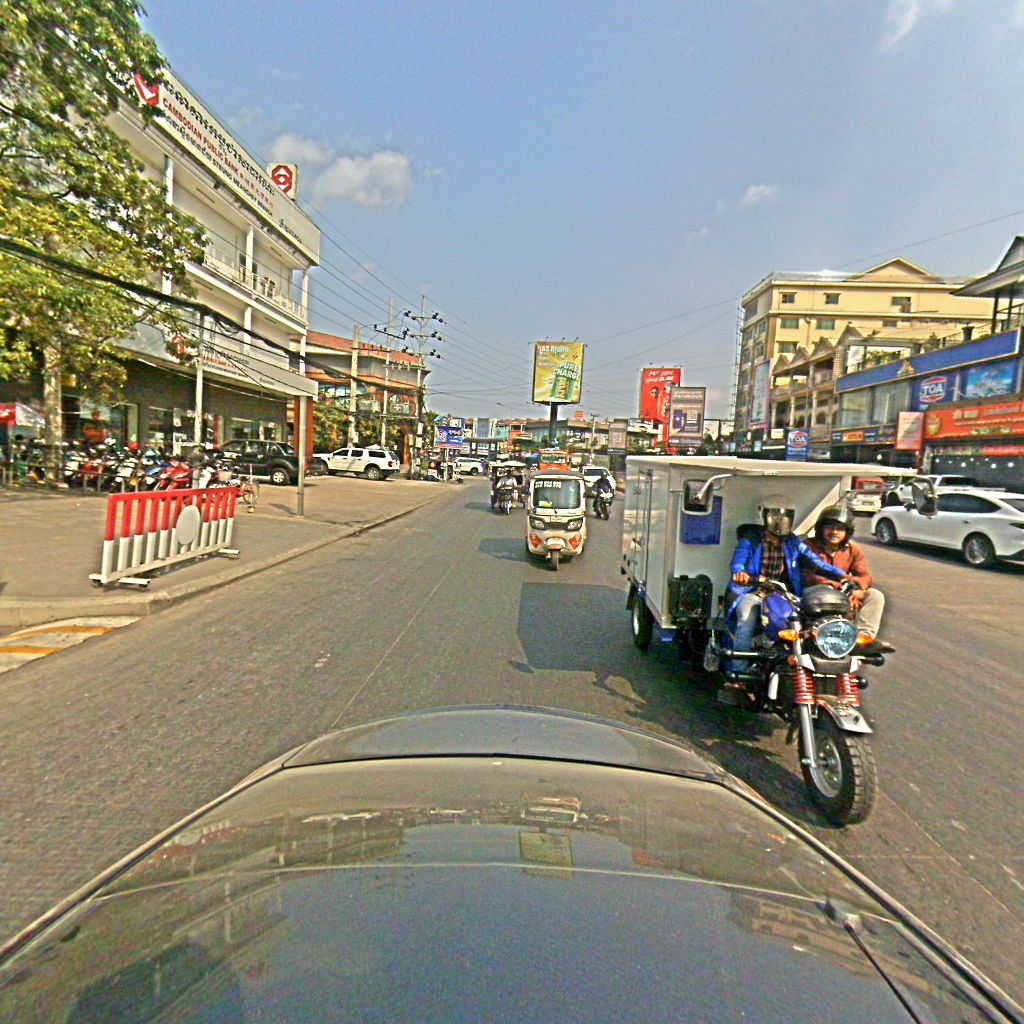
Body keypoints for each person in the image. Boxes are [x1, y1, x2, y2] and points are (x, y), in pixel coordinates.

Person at [727, 494, 850, 669]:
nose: (780, 521)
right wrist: (740, 573)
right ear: (765, 516)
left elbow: (815, 561)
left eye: (785, 516)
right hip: (754, 591)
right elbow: (738, 560)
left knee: (807, 620)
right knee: (746, 620)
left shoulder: (792, 541)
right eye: (776, 516)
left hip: (782, 594)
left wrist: (842, 575)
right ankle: (738, 672)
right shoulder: (751, 539)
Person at [803, 504, 889, 654]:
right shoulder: (807, 546)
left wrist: (857, 588)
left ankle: (862, 639)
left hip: (845, 592)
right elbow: (807, 575)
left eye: (840, 528)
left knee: (875, 595)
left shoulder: (853, 549)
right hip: (815, 593)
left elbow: (864, 576)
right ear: (820, 528)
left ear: (847, 532)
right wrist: (840, 587)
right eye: (829, 527)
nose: (834, 532)